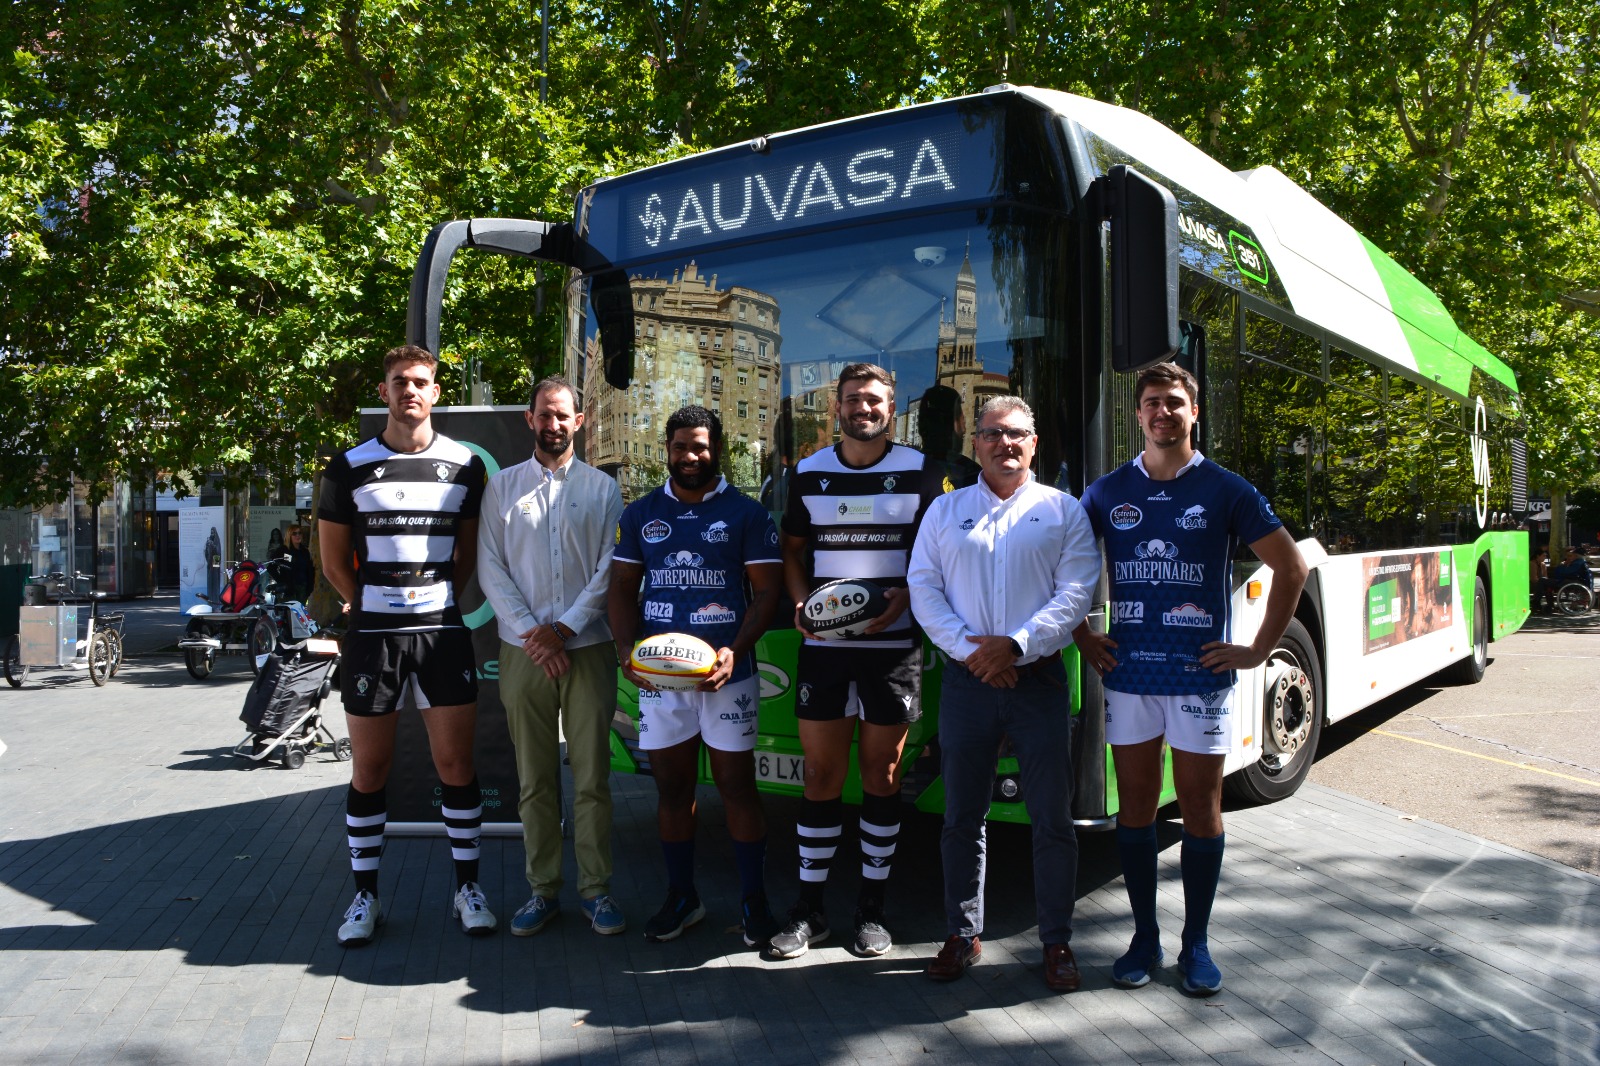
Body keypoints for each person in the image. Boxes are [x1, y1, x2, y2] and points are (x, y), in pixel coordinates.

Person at [1073, 361, 1309, 996]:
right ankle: (1143, 938)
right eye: (1152, 402)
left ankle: (1196, 944)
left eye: (1174, 402)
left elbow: (1292, 567)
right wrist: (1080, 634)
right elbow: (1062, 565)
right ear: (1138, 413)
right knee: (1136, 808)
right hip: (1129, 676)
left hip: (1200, 678)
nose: (1162, 412)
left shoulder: (1226, 488)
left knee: (1201, 808)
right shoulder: (1107, 491)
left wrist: (1258, 650)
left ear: (1193, 412)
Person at [907, 395, 1100, 990]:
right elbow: (923, 587)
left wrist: (1014, 646)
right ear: (976, 444)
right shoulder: (945, 511)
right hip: (968, 682)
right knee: (962, 816)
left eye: (1015, 433)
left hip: (1037, 681)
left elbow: (1077, 593)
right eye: (992, 434)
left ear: (1033, 444)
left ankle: (1056, 941)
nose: (1004, 443)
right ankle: (962, 935)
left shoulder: (1063, 510)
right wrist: (974, 653)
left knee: (1052, 819)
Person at [317, 343, 495, 947]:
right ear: (385, 392)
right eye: (399, 381)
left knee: (456, 766)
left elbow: (467, 555)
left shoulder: (465, 465)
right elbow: (333, 561)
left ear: (435, 392)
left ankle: (468, 889)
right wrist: (369, 603)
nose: (410, 391)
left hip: (442, 632)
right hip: (373, 639)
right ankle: (364, 896)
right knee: (370, 769)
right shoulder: (348, 466)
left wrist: (433, 600)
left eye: (420, 381)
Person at [770, 363, 945, 960]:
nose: (862, 409)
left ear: (890, 408)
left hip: (892, 648)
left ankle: (871, 908)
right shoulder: (808, 472)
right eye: (851, 400)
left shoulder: (923, 472)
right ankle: (809, 909)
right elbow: (792, 551)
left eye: (873, 400)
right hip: (825, 650)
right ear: (836, 407)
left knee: (882, 774)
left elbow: (939, 555)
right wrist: (802, 603)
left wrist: (908, 596)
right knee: (820, 776)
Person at [607, 405, 784, 946]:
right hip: (662, 679)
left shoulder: (746, 513)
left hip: (728, 675)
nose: (690, 456)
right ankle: (682, 896)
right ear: (667, 449)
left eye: (701, 446)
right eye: (681, 446)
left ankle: (754, 901)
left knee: (736, 786)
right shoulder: (641, 514)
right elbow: (621, 590)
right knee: (672, 787)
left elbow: (767, 594)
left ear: (718, 449)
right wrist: (626, 653)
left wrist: (734, 651)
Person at [477, 376, 627, 938]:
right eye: (544, 414)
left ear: (579, 422)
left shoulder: (602, 489)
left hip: (587, 648)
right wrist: (534, 635)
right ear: (530, 419)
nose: (554, 423)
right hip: (524, 653)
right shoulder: (502, 487)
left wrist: (563, 630)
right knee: (534, 781)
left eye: (563, 415)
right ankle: (542, 890)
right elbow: (490, 567)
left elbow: (610, 569)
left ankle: (596, 890)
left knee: (592, 779)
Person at [280, 524, 314, 602]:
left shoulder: (305, 551)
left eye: (299, 533)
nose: (297, 535)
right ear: (289, 535)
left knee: (300, 608)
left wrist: (310, 587)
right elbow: (271, 567)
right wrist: (281, 581)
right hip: (288, 589)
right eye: (294, 533)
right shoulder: (283, 550)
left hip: (303, 587)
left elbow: (309, 569)